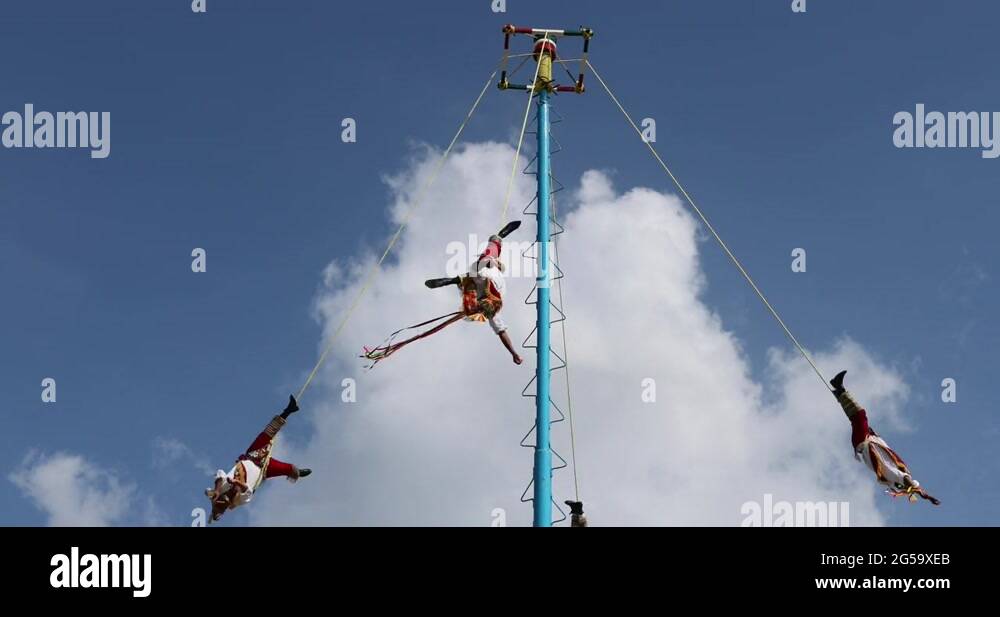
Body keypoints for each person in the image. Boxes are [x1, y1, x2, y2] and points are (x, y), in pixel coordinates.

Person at [830, 370, 939, 505]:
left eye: (909, 481)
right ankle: (839, 393)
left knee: (859, 415)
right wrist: (921, 494)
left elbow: (908, 482)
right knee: (857, 416)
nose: (909, 478)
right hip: (865, 440)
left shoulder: (895, 476)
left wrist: (924, 494)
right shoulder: (893, 474)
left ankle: (839, 389)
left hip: (863, 441)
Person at [424, 221, 523, 365]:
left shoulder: (484, 292)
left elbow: (502, 333)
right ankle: (497, 240)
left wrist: (514, 353)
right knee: (487, 260)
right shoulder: (493, 312)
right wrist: (513, 353)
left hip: (485, 271)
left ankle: (456, 279)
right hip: (490, 270)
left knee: (479, 267)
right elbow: (502, 333)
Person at [205, 395, 312, 522]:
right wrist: (236, 483)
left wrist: (216, 490)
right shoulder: (237, 501)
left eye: (224, 496)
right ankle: (297, 473)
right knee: (288, 468)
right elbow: (248, 491)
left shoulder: (222, 487)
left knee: (268, 433)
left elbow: (220, 474)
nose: (227, 495)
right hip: (264, 469)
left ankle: (289, 410)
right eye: (227, 499)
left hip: (252, 456)